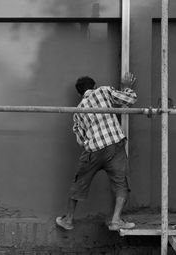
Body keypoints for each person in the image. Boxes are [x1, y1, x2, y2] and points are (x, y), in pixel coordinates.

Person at [56, 72, 137, 231]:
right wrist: (127, 88)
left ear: (80, 93)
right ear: (94, 86)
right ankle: (115, 220)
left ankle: (68, 220)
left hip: (93, 150)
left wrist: (92, 143)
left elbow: (80, 138)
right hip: (114, 145)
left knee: (79, 184)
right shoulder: (104, 91)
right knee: (121, 184)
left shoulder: (78, 110)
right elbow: (130, 99)